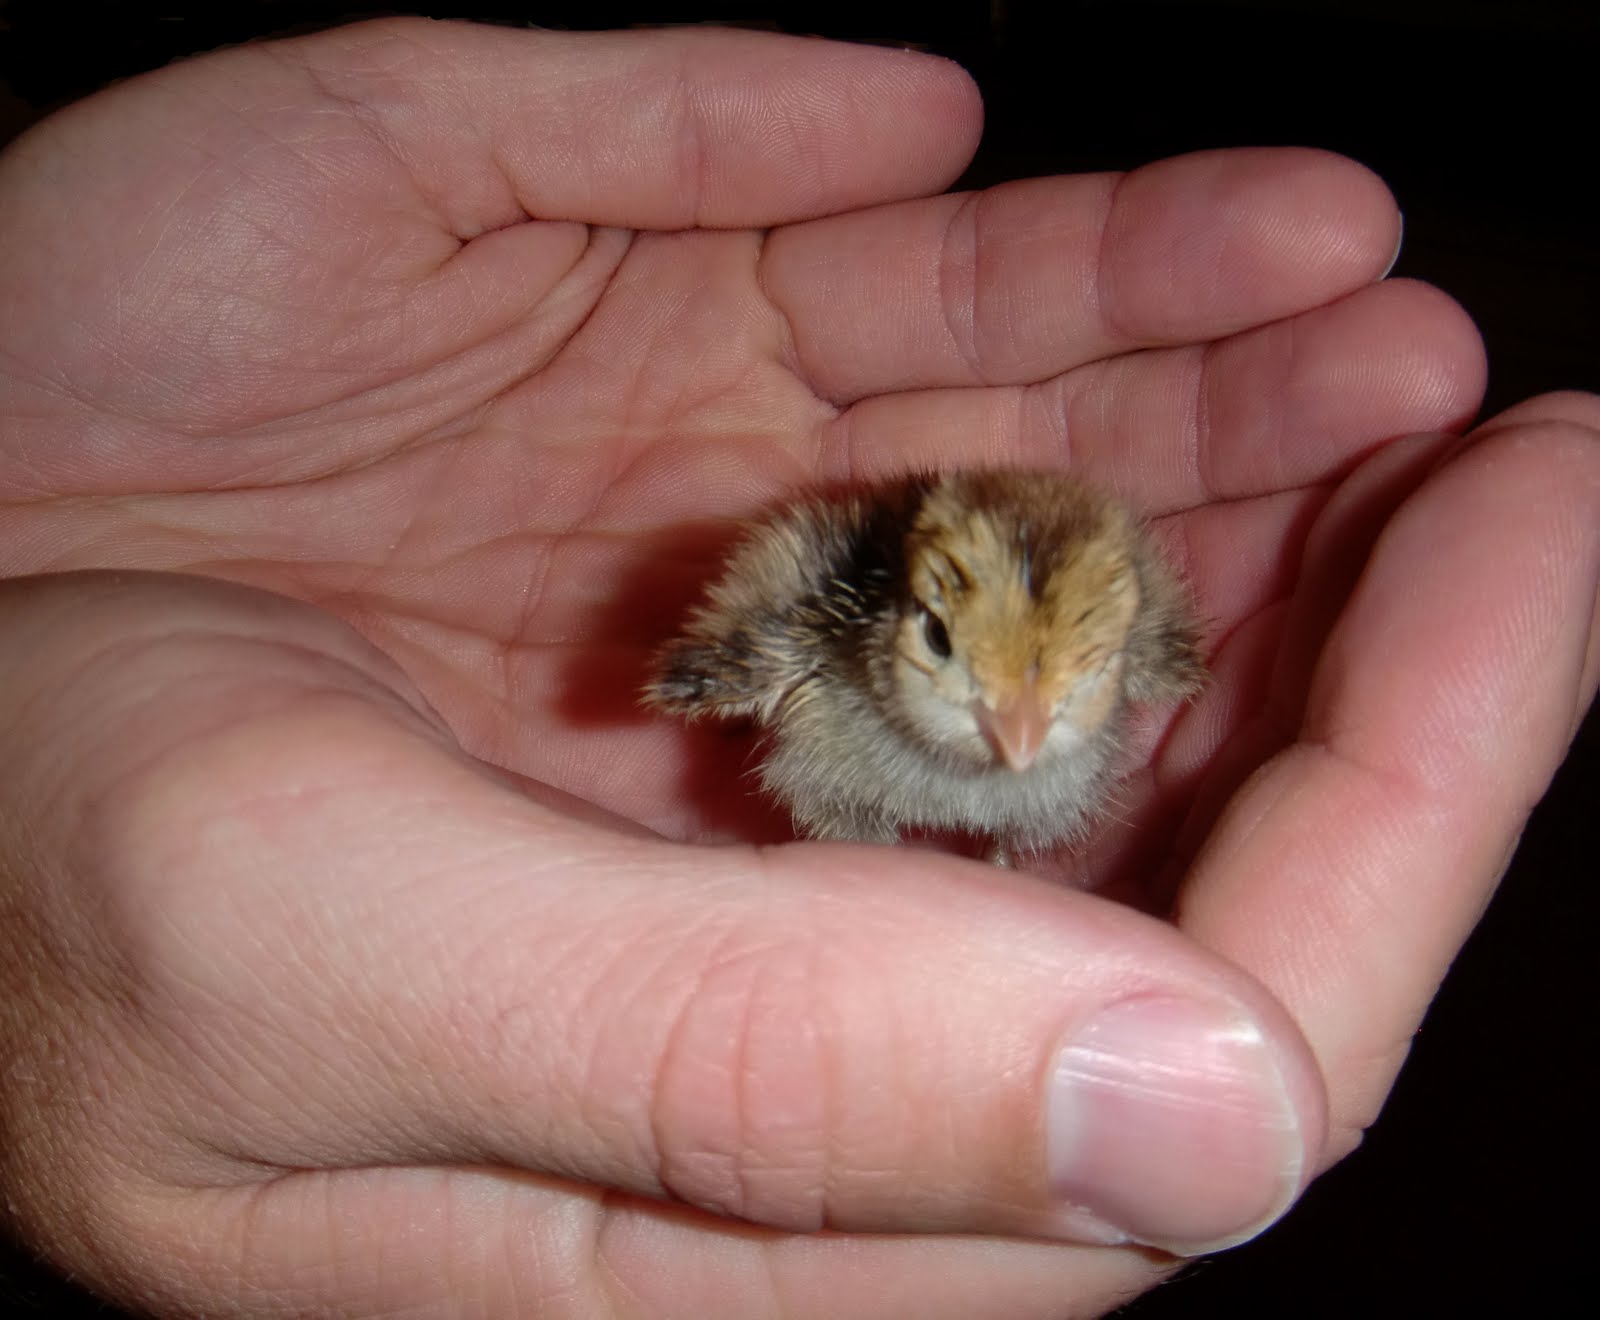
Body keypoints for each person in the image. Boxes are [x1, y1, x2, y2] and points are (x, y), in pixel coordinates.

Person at [0, 17, 1594, 1319]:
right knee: (873, 814)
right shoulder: (823, 635)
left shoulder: (1122, 655)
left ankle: (1000, 860)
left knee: (1050, 802)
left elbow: (1086, 679)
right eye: (963, 654)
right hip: (842, 750)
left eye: (1079, 671)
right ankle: (894, 877)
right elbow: (741, 644)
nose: (1017, 715)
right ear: (907, 613)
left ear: (1126, 650)